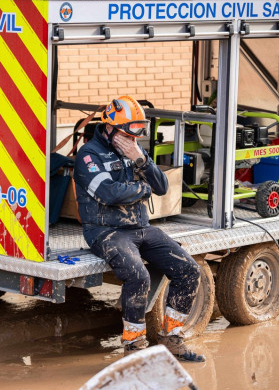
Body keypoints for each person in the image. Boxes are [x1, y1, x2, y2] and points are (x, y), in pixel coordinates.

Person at [73, 96, 205, 362]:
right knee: (138, 276)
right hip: (105, 232)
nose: (133, 138)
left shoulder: (133, 150)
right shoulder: (89, 155)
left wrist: (140, 160)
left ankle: (172, 338)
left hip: (140, 227)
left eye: (137, 131)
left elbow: (162, 187)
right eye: (127, 132)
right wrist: (142, 189)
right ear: (108, 128)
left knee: (189, 270)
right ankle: (134, 348)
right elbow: (108, 193)